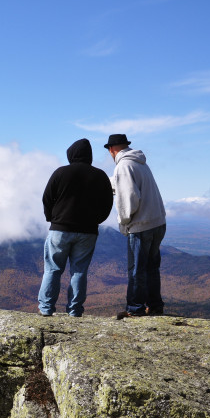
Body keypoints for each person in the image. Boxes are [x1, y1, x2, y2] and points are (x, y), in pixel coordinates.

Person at [38, 138, 113, 317]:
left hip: (60, 229)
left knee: (53, 269)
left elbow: (47, 198)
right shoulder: (100, 175)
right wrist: (97, 220)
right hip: (88, 231)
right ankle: (74, 311)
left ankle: (46, 309)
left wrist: (52, 218)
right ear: (90, 156)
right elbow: (108, 204)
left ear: (71, 154)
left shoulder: (61, 172)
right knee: (79, 271)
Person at [105, 133, 167, 319]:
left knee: (136, 270)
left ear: (111, 150)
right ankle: (155, 306)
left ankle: (135, 308)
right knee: (151, 268)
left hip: (141, 226)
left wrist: (123, 223)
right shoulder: (140, 163)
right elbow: (125, 186)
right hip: (158, 222)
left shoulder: (123, 166)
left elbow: (129, 198)